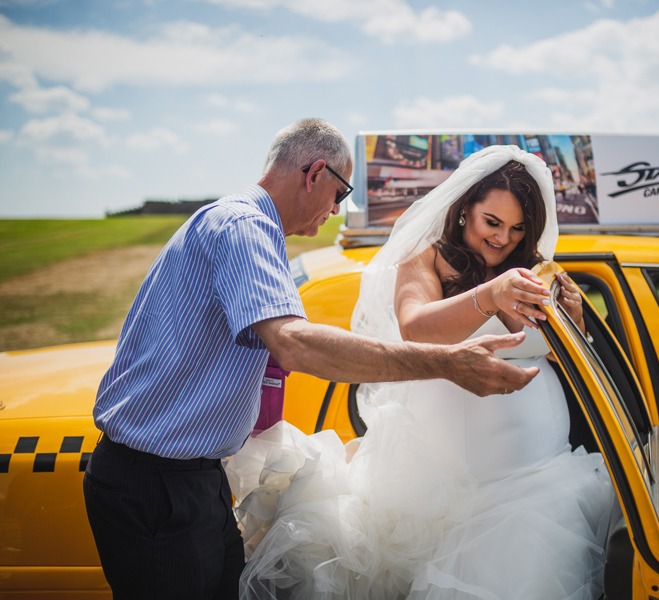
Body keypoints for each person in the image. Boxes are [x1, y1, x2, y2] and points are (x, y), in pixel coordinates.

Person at [82, 119, 539, 600]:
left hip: (190, 478)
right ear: (314, 172)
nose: (337, 211)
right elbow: (294, 343)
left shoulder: (251, 229)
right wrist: (447, 363)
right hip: (157, 485)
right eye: (340, 194)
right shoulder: (244, 226)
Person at [227, 145, 615, 599]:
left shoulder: (533, 271)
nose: (502, 238)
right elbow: (415, 328)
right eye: (493, 222)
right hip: (454, 492)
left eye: (517, 229)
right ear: (465, 210)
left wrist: (576, 321)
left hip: (543, 480)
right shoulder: (425, 259)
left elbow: (562, 357)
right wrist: (488, 296)